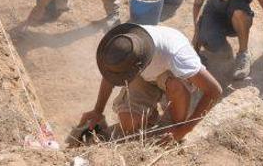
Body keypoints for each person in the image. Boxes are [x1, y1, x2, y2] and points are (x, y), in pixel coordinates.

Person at [78, 23, 222, 141]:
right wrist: (98, 110)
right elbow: (110, 76)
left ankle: (175, 125)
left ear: (138, 66)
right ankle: (151, 116)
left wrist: (184, 130)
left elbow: (214, 91)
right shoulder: (122, 46)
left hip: (172, 75)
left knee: (175, 88)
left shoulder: (176, 55)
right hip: (145, 74)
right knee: (128, 125)